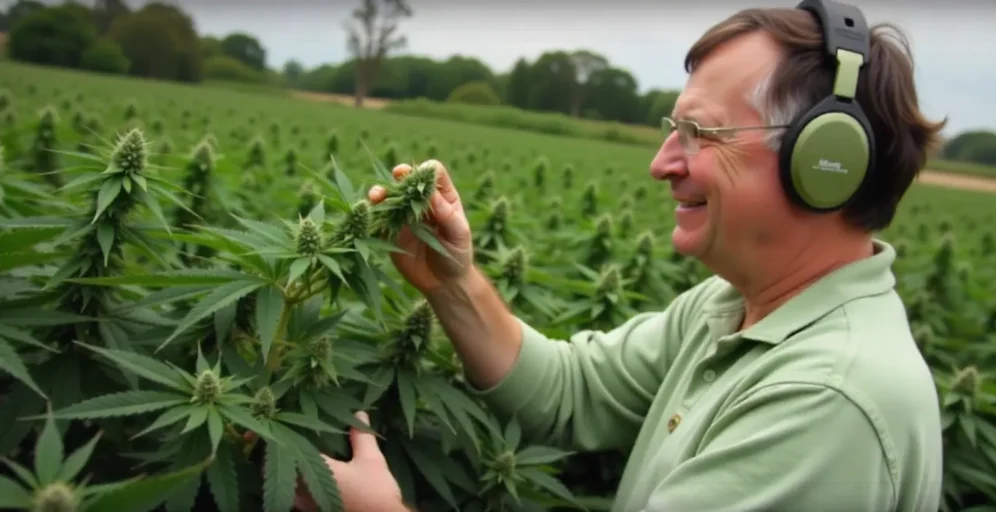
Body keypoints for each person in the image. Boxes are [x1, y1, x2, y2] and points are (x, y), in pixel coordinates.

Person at [297, 1, 948, 511]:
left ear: (825, 162)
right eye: (674, 130)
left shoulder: (828, 401)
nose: (661, 164)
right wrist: (452, 281)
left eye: (700, 133)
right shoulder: (734, 306)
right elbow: (570, 393)